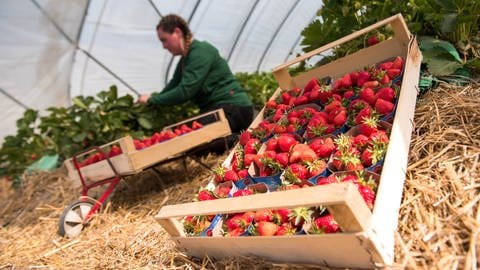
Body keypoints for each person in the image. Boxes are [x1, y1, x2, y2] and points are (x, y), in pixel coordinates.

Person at [138, 14, 254, 134]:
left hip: (233, 109)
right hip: (218, 111)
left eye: (164, 40)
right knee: (185, 136)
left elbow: (185, 91)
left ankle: (238, 139)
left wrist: (152, 100)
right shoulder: (185, 59)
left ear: (177, 32)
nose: (164, 46)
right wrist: (151, 100)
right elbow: (173, 84)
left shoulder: (200, 51)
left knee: (191, 140)